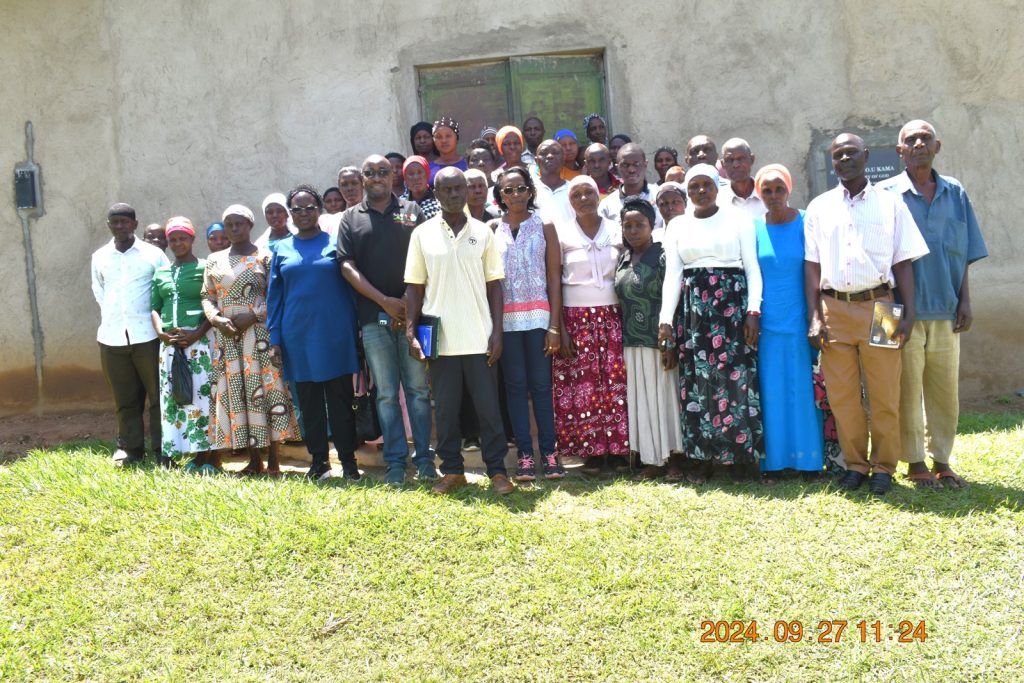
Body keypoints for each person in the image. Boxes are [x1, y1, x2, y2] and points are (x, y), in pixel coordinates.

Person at [804, 133, 929, 495]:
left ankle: (884, 467)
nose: (845, 159)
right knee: (843, 397)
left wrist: (909, 312)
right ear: (833, 162)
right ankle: (856, 464)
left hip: (883, 306)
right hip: (833, 308)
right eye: (838, 155)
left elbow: (903, 262)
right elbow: (811, 266)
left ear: (867, 156)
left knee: (885, 392)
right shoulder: (819, 207)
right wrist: (815, 316)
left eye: (852, 153)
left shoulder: (890, 204)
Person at [878, 119, 988, 489]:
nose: (919, 144)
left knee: (943, 389)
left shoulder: (955, 192)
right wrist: (889, 314)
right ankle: (913, 463)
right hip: (893, 311)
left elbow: (963, 251)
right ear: (900, 151)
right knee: (901, 389)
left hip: (945, 306)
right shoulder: (884, 194)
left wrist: (965, 301)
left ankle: (942, 459)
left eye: (925, 139)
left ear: (937, 146)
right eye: (911, 140)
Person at [404, 167, 514, 495]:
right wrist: (411, 331)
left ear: (467, 191)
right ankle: (452, 471)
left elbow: (495, 285)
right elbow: (413, 287)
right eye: (446, 189)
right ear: (435, 194)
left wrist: (497, 333)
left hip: (480, 336)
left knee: (488, 409)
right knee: (448, 411)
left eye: (458, 188)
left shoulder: (484, 232)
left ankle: (497, 471)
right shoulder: (421, 234)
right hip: (439, 338)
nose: (453, 194)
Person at [657, 164, 764, 484]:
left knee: (736, 382)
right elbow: (672, 276)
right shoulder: (677, 226)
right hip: (694, 313)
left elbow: (752, 270)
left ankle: (740, 460)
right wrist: (665, 321)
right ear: (687, 191)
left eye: (707, 185)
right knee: (698, 384)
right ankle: (702, 458)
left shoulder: (739, 220)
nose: (701, 191)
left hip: (732, 309)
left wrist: (753, 312)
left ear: (718, 187)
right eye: (694, 186)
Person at [339, 155, 437, 486]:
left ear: (392, 175)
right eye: (371, 173)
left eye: (383, 171)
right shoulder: (351, 218)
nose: (377, 177)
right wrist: (384, 302)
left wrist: (407, 306)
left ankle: (424, 459)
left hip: (416, 317)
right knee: (384, 393)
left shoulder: (412, 211)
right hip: (373, 319)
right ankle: (395, 462)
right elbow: (346, 267)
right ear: (363, 178)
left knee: (419, 390)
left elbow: (426, 259)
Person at [268, 185, 361, 481]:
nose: (304, 214)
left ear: (319, 210)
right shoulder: (280, 249)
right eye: (297, 209)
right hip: (298, 338)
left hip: (335, 336)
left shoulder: (336, 245)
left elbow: (352, 289)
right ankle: (319, 461)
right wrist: (274, 339)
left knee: (341, 403)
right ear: (290, 214)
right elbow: (275, 299)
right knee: (309, 407)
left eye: (310, 208)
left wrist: (356, 329)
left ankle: (348, 463)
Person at [203, 204, 297, 475]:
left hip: (258, 337)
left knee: (267, 392)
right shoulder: (214, 260)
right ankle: (255, 460)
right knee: (240, 394)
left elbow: (276, 296)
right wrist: (216, 319)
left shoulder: (265, 256)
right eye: (229, 224)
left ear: (250, 226)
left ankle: (275, 462)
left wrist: (253, 315)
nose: (234, 229)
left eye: (239, 224)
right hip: (228, 339)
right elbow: (207, 296)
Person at [752, 165, 824, 485]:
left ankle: (809, 463)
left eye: (779, 189)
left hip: (800, 322)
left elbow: (817, 271)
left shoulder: (807, 221)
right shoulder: (753, 228)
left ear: (789, 189)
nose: (773, 196)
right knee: (772, 392)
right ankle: (775, 463)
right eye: (766, 190)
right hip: (767, 326)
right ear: (759, 193)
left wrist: (815, 317)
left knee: (802, 392)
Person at [553, 175, 629, 475]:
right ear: (569, 201)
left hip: (612, 315)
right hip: (576, 317)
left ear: (599, 196)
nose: (584, 198)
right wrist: (559, 326)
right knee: (583, 386)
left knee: (614, 382)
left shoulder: (617, 228)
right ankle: (592, 452)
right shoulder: (561, 233)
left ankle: (620, 450)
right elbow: (554, 282)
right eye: (577, 194)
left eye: (589, 192)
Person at [491, 166, 564, 480]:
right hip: (506, 320)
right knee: (515, 387)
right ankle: (524, 455)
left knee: (541, 386)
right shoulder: (493, 227)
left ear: (530, 191)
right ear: (501, 196)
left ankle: (549, 453)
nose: (516, 195)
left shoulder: (544, 224)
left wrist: (555, 326)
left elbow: (553, 277)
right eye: (509, 190)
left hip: (538, 319)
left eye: (521, 188)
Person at [92, 203, 168, 466]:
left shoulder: (153, 254)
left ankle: (162, 449)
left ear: (135, 224)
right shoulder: (100, 257)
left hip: (147, 336)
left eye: (125, 222)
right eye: (115, 222)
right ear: (109, 225)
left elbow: (164, 290)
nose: (120, 226)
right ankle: (131, 448)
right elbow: (99, 291)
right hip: (112, 338)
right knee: (125, 398)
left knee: (158, 396)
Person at [614, 197, 683, 481]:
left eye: (639, 224)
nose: (632, 230)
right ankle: (653, 460)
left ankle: (677, 460)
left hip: (659, 342)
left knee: (666, 400)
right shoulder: (624, 258)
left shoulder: (663, 254)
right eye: (627, 225)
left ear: (651, 224)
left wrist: (671, 342)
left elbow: (675, 299)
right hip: (632, 341)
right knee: (643, 400)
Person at [149, 216, 215, 470]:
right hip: (169, 345)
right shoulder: (161, 272)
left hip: (197, 343)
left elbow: (212, 304)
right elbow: (154, 308)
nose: (178, 243)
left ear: (192, 239)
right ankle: (175, 454)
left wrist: (197, 334)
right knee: (172, 399)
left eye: (182, 238)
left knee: (200, 398)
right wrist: (161, 334)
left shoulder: (204, 267)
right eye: (173, 239)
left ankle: (202, 458)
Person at [598, 143, 663, 231]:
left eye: (636, 164)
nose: (631, 170)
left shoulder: (661, 196)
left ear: (645, 164)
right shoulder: (607, 205)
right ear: (617, 167)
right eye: (625, 165)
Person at [718, 138, 767, 221]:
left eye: (741, 158)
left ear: (752, 159)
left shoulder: (770, 195)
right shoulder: (718, 200)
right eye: (730, 160)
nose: (736, 165)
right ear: (723, 164)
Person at [533, 139, 575, 227]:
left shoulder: (574, 189)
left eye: (555, 152)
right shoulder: (529, 190)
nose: (549, 156)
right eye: (544, 153)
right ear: (536, 161)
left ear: (564, 158)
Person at [428, 116, 468, 183]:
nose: (444, 140)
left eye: (448, 136)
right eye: (439, 137)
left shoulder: (467, 164)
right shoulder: (429, 169)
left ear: (457, 138)